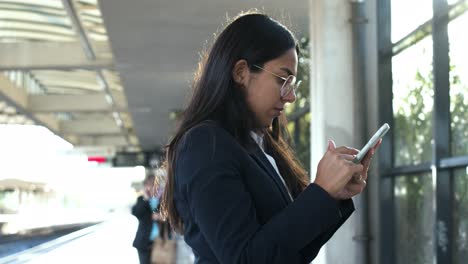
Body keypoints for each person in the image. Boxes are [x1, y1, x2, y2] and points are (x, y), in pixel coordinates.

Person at [161, 11, 381, 264]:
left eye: (292, 84)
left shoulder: (256, 145)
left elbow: (288, 252)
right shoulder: (205, 144)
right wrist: (320, 191)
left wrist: (333, 195)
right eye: (282, 79)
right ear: (241, 72)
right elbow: (245, 259)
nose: (290, 97)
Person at [132, 173, 161, 264]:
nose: (151, 188)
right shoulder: (142, 200)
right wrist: (145, 197)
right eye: (149, 185)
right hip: (144, 242)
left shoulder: (163, 200)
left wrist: (161, 216)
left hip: (162, 242)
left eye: (154, 185)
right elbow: (136, 212)